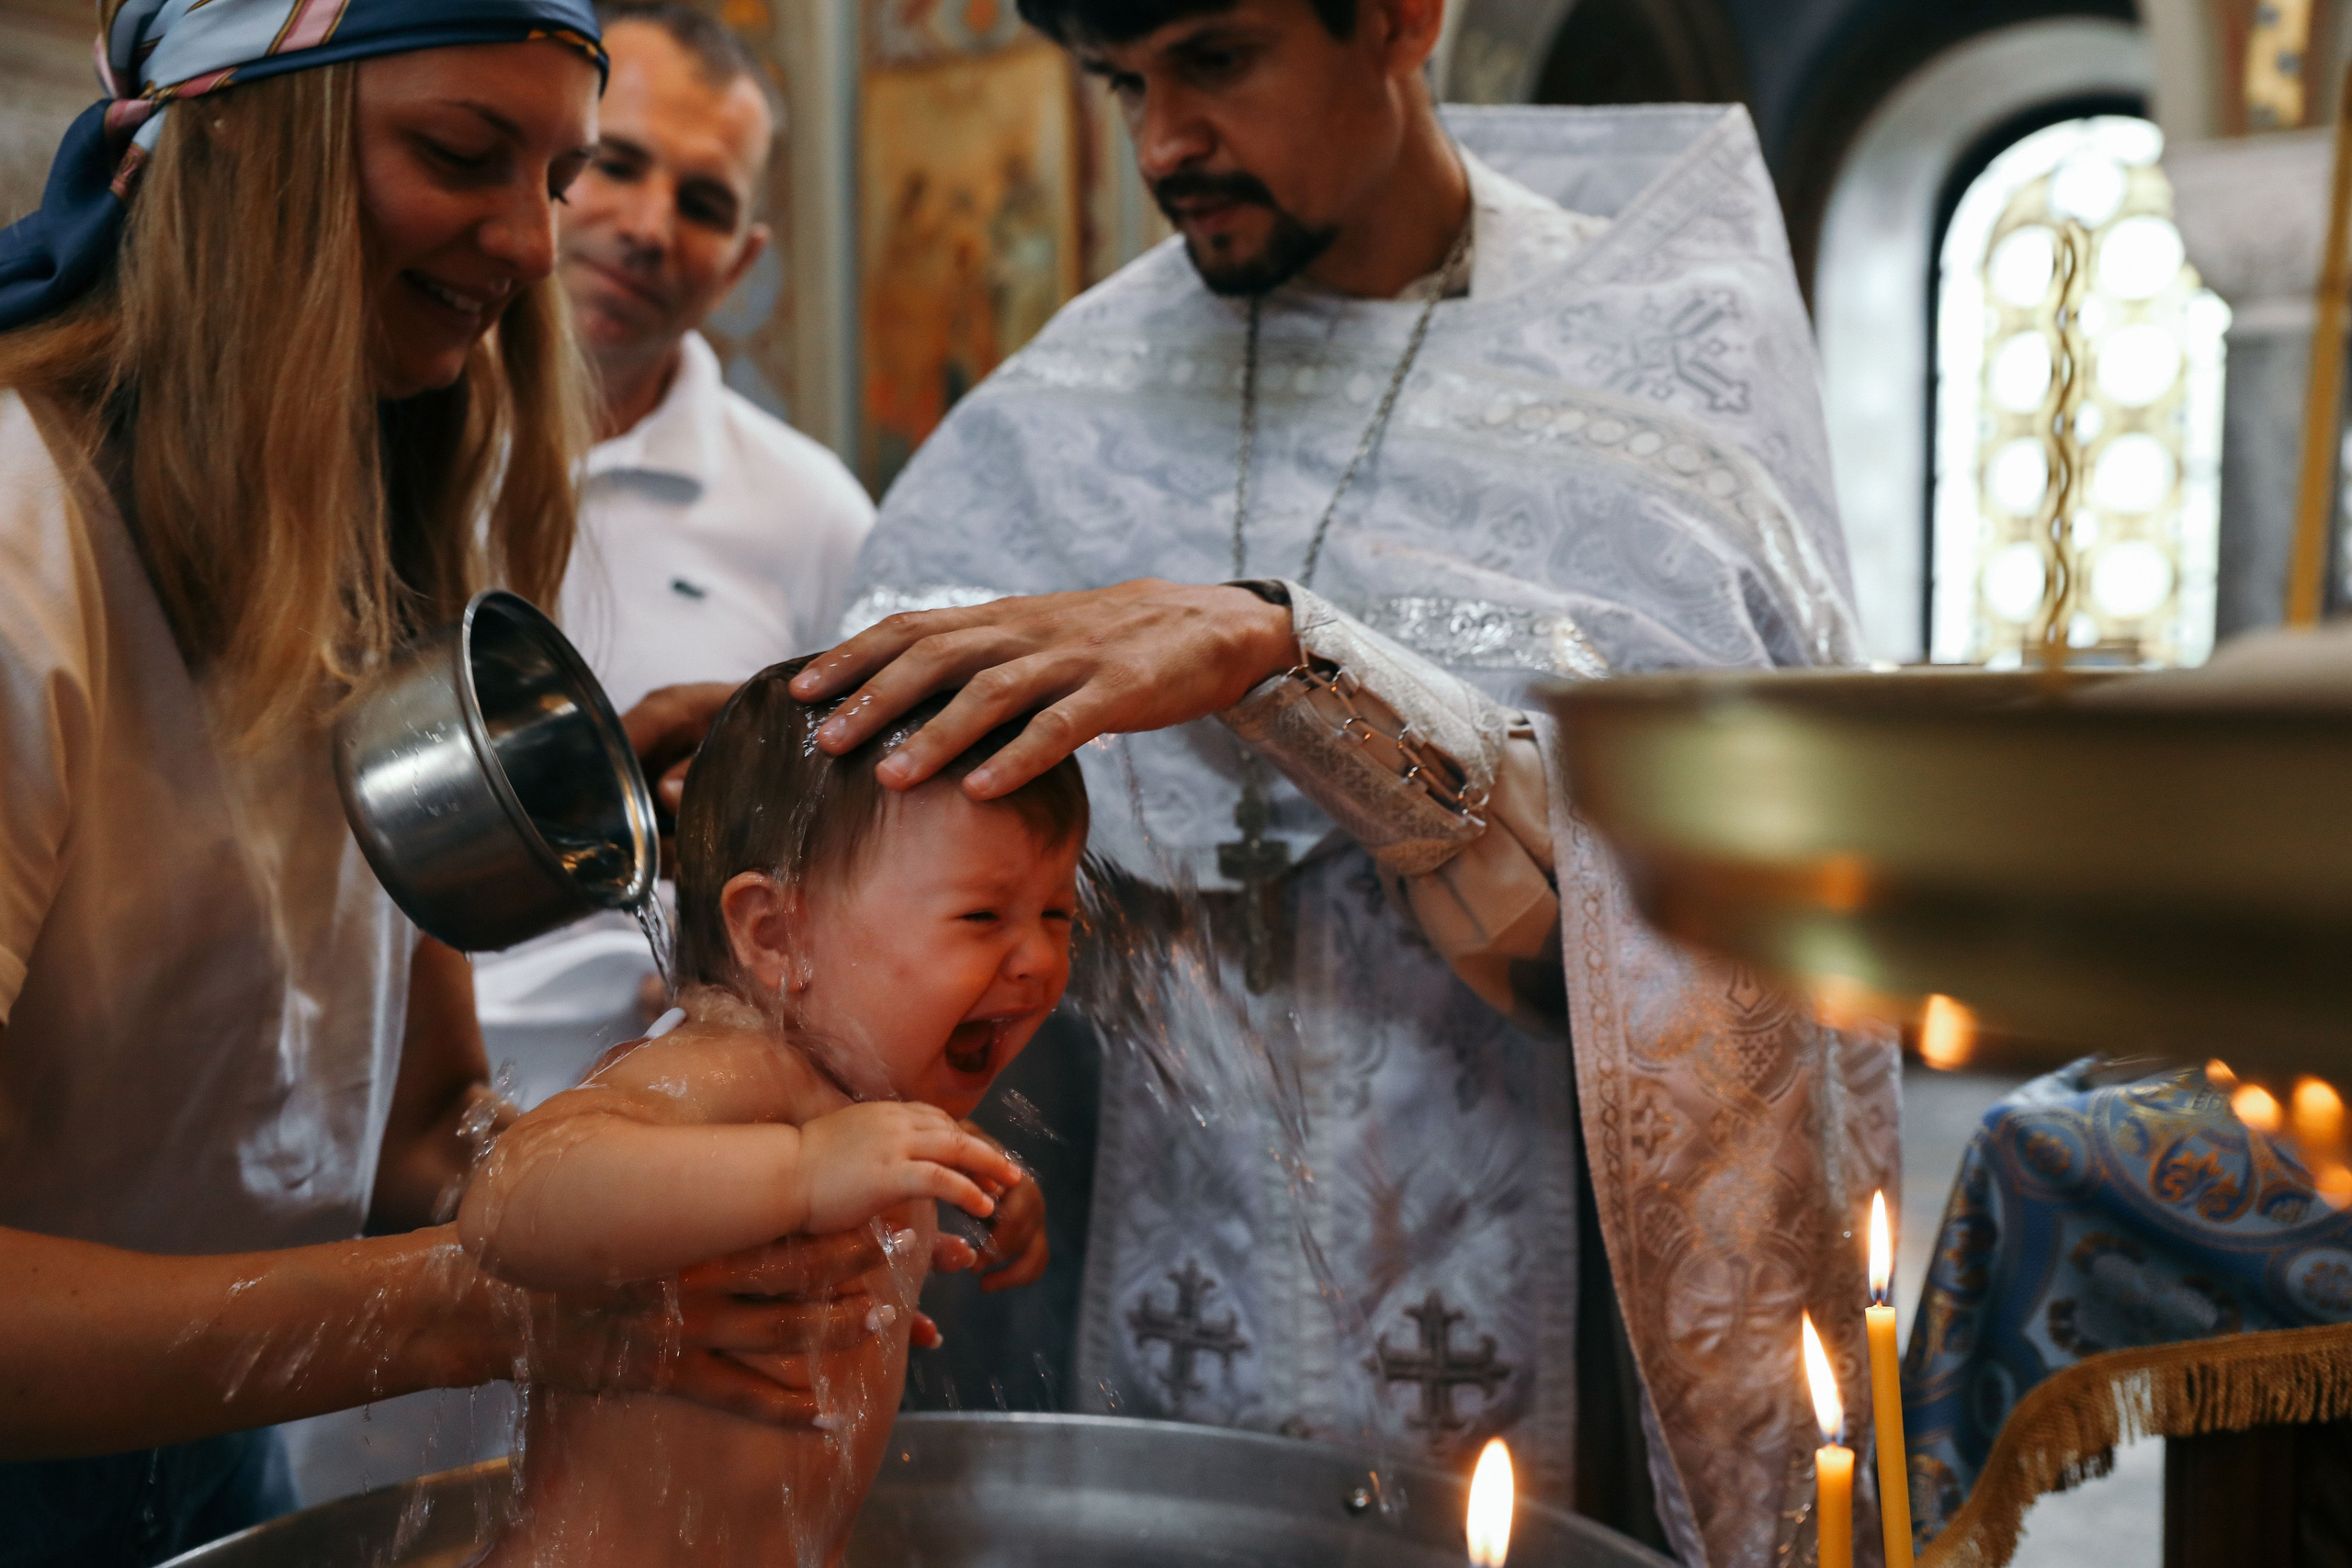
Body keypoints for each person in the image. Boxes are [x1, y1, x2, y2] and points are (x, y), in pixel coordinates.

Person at [784, 0, 1903, 1563]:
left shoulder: (1655, 356)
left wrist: (1287, 661)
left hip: (1556, 1283)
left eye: (1216, 61)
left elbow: (1705, 902)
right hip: (1145, 1294)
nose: (1164, 142)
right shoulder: (1059, 405)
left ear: (1400, 20)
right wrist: (784, 762)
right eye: (1123, 84)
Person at [0, 6, 892, 1562]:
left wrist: (659, 1194)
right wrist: (482, 1304)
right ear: (241, 135)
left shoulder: (370, 513)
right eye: (463, 152)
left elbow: (420, 1124)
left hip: (207, 1451)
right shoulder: (24, 533)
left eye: (552, 175)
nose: (537, 246)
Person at [460, 667, 1083, 1566]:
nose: (1036, 958)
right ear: (776, 936)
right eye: (983, 914)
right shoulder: (728, 1065)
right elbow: (510, 1197)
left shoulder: (856, 1091)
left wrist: (966, 1163)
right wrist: (803, 1171)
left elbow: (853, 1138)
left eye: (1058, 912)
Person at [471, 2, 877, 1095]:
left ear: (743, 260)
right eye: (616, 165)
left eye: (703, 204)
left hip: (675, 1122)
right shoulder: (381, 443)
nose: (651, 227)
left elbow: (864, 846)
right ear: (542, 163)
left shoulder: (814, 512)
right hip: (357, 1103)